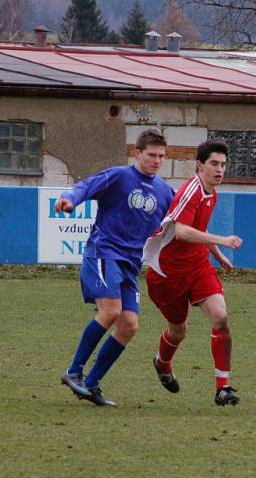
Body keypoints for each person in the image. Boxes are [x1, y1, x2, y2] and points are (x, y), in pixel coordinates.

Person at [57, 129, 174, 407]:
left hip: (130, 265)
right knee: (111, 310)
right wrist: (70, 199)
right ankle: (74, 371)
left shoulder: (164, 191)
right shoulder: (120, 176)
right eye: (151, 155)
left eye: (161, 156)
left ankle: (91, 383)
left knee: (129, 326)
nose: (157, 161)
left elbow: (180, 222)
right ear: (137, 153)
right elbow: (85, 186)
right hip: (104, 253)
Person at [143, 138, 243, 406]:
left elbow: (198, 231)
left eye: (223, 164)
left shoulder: (212, 193)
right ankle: (162, 364)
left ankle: (223, 388)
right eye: (214, 164)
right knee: (178, 332)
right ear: (199, 166)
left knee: (220, 317)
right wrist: (222, 240)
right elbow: (182, 230)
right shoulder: (192, 191)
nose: (219, 169)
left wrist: (218, 255)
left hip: (198, 268)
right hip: (168, 275)